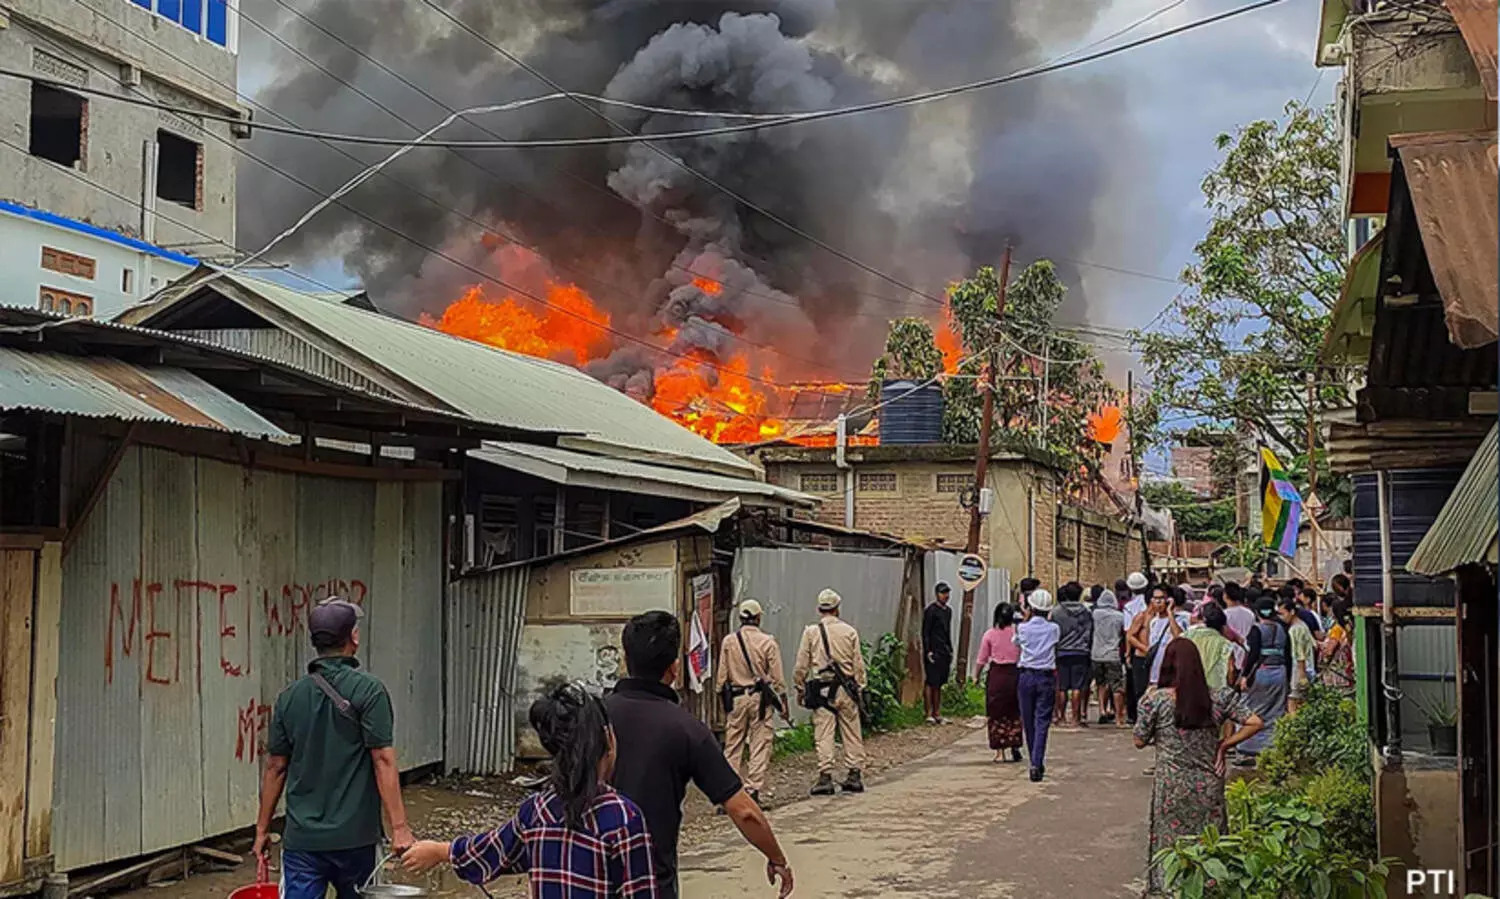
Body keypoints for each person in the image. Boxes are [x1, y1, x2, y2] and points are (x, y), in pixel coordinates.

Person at [401, 684, 657, 897]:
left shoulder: (537, 812)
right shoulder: (624, 820)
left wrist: (439, 851)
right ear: (608, 738)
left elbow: (493, 850)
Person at [608, 611, 793, 899]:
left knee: (736, 745)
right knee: (757, 745)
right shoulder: (685, 729)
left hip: (584, 874)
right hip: (650, 879)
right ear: (674, 668)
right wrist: (777, 858)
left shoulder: (592, 717)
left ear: (625, 659)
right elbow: (743, 810)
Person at [253, 599, 414, 899]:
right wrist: (399, 827)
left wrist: (262, 829)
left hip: (303, 841)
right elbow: (382, 759)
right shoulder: (370, 690)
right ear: (353, 637)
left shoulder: (289, 697)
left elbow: (276, 767)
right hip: (357, 840)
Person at [1134, 639, 1263, 895]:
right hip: (1208, 782)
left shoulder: (1155, 701)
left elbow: (1139, 740)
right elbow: (1255, 722)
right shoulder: (1218, 698)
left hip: (1171, 784)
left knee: (1169, 845)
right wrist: (1224, 745)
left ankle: (1170, 891)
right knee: (1211, 844)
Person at [794, 589, 868, 797]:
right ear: (837, 608)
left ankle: (825, 776)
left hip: (822, 689)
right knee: (852, 731)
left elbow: (801, 664)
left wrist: (799, 686)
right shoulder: (849, 631)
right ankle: (854, 774)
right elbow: (858, 664)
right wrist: (860, 687)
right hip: (846, 688)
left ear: (819, 609)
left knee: (824, 733)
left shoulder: (811, 632)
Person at [715, 599, 788, 807]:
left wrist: (722, 699)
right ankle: (753, 790)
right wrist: (783, 702)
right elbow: (777, 678)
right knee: (760, 743)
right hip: (759, 699)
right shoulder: (768, 642)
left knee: (733, 745)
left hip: (736, 698)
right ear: (758, 618)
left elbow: (721, 676)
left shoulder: (729, 641)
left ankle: (728, 794)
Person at [1013, 588, 1060, 783]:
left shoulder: (1022, 628)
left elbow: (1016, 643)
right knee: (1042, 721)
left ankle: (1035, 760)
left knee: (1028, 720)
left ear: (1030, 607)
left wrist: (1025, 619)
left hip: (1026, 676)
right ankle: (1036, 761)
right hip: (1046, 677)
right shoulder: (1054, 628)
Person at [1235, 597, 1291, 763]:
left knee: (1254, 709)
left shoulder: (1256, 630)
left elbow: (1252, 655)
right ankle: (1272, 746)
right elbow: (1289, 656)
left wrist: (1245, 676)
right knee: (1276, 711)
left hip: (1260, 673)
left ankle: (1249, 747)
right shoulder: (1283, 629)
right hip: (1280, 673)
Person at [975, 602, 1023, 762]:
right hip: (1014, 675)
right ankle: (1015, 745)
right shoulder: (1018, 634)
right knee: (1014, 711)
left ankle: (1000, 752)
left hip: (997, 675)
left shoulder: (989, 634)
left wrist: (976, 676)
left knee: (996, 713)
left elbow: (981, 659)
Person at [1051, 581, 1095, 727]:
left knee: (1062, 686)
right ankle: (1076, 718)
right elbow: (1089, 633)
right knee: (1077, 687)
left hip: (1062, 652)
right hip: (1080, 652)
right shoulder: (1086, 612)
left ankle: (1061, 716)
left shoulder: (1056, 612)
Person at [1128, 585, 1184, 691]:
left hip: (1170, 675)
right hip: (1153, 675)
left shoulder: (1179, 619)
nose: (1158, 602)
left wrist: (1170, 613)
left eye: (1162, 598)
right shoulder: (1153, 621)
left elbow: (1179, 637)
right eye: (1155, 598)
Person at [1090, 588, 1128, 726]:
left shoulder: (1095, 614)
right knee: (1116, 686)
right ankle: (1119, 718)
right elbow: (1123, 634)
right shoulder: (1120, 616)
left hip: (1097, 654)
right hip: (1113, 655)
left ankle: (1102, 710)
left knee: (1101, 684)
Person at [1186, 604, 1242, 691]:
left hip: (1188, 689)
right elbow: (1230, 671)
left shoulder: (1185, 637)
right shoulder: (1225, 644)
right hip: (1216, 691)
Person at [1279, 595, 1318, 714]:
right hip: (1308, 668)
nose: (1281, 617)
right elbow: (1315, 645)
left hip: (1299, 670)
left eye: (1283, 613)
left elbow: (1299, 653)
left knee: (1293, 703)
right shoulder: (1302, 625)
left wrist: (1301, 674)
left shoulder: (1295, 629)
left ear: (1291, 612)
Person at [922, 582, 955, 724]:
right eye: (942, 593)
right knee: (931, 681)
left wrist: (950, 648)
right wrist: (928, 650)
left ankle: (937, 712)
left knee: (940, 682)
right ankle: (928, 713)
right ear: (937, 594)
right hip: (933, 650)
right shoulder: (931, 611)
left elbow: (947, 631)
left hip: (944, 651)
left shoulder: (948, 611)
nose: (945, 596)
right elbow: (925, 632)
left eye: (947, 593)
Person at [1121, 571, 1151, 723]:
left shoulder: (1129, 607)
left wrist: (1127, 652)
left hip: (1137, 648)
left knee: (1135, 683)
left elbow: (1128, 631)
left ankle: (1135, 715)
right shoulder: (1150, 604)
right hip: (1151, 645)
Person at [1318, 598, 1356, 696]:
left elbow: (1329, 651)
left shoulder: (1336, 629)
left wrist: (1319, 645)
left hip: (1337, 673)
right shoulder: (1349, 627)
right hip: (1348, 671)